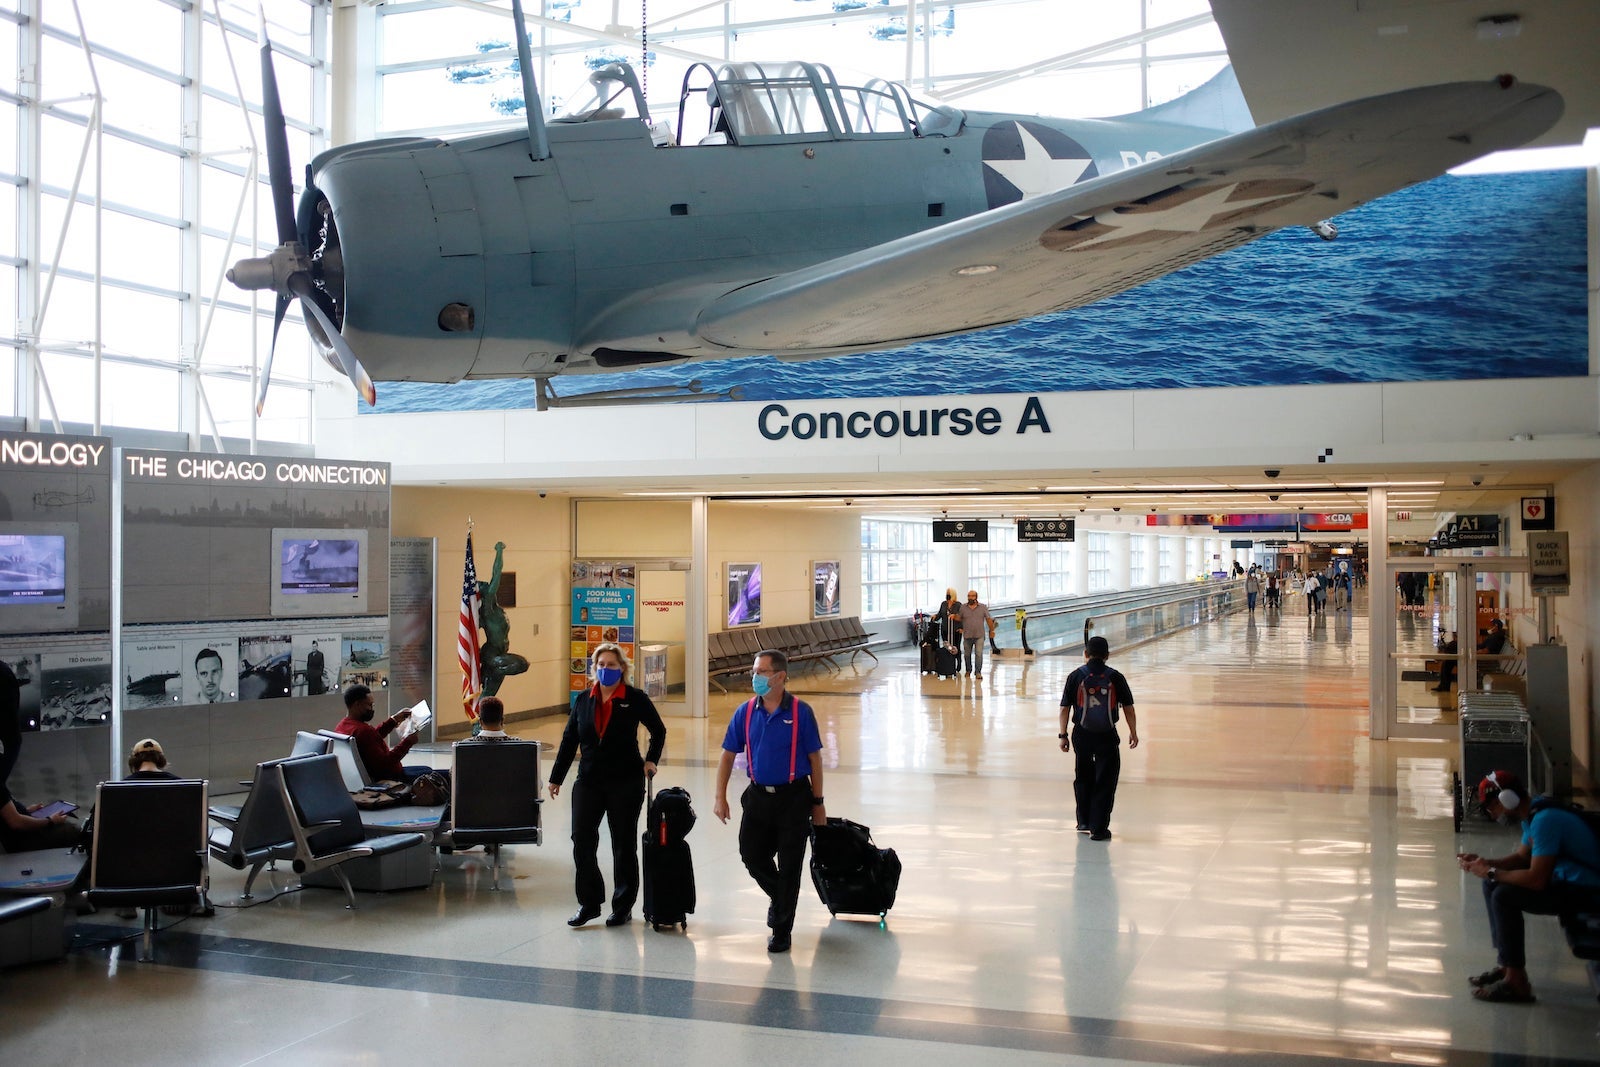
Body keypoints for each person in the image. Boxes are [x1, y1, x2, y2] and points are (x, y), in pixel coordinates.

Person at [712, 649, 825, 953]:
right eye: (754, 670)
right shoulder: (746, 712)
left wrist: (818, 803)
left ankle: (781, 929)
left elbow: (815, 759)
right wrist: (720, 796)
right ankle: (782, 898)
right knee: (751, 854)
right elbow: (727, 755)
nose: (755, 677)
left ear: (780, 677)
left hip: (794, 798)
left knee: (790, 866)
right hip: (758, 797)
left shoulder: (801, 712)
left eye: (761, 671)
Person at [547, 643, 666, 929]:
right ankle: (589, 903)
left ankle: (622, 906)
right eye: (601, 664)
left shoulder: (634, 698)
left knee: (623, 844)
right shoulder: (584, 699)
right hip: (589, 779)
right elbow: (569, 739)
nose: (605, 669)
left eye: (612, 665)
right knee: (581, 840)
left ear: (622, 668)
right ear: (594, 667)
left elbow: (658, 730)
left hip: (625, 780)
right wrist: (556, 777)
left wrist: (651, 760)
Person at [1457, 770, 1600, 1003]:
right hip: (1567, 882)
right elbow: (1522, 858)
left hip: (1587, 890)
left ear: (1507, 800)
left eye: (1493, 807)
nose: (1493, 815)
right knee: (1492, 886)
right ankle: (1507, 965)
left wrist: (1493, 872)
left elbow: (1536, 879)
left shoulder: (1545, 820)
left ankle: (1517, 983)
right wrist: (1485, 864)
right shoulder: (1533, 813)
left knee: (1504, 895)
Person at [1058, 636, 1139, 841]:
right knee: (1106, 780)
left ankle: (1083, 820)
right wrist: (1133, 731)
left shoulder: (1076, 676)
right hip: (1106, 735)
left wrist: (1063, 735)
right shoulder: (1115, 677)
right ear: (1107, 655)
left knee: (1083, 776)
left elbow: (1064, 708)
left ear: (1086, 654)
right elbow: (1128, 708)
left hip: (1081, 734)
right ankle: (1099, 828)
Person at [0, 660, 79, 853]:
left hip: (20, 829)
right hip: (21, 839)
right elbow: (16, 823)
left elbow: (7, 811)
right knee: (75, 832)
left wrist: (27, 810)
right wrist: (49, 821)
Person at [334, 684, 429, 782]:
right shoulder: (363, 731)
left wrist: (393, 721)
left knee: (427, 770)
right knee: (435, 775)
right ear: (357, 704)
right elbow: (386, 764)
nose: (372, 709)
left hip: (377, 774)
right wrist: (408, 742)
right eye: (369, 705)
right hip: (391, 779)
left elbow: (371, 740)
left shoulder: (343, 726)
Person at [957, 590, 994, 678]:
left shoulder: (983, 607)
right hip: (967, 635)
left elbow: (988, 619)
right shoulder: (963, 607)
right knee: (967, 654)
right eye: (969, 596)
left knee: (978, 653)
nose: (970, 598)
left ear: (976, 597)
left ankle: (978, 672)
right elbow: (959, 618)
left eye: (972, 596)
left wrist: (992, 630)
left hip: (979, 635)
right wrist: (956, 619)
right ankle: (968, 670)